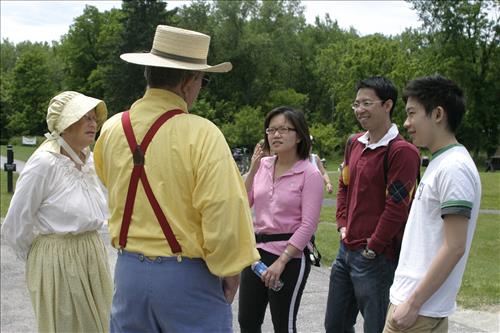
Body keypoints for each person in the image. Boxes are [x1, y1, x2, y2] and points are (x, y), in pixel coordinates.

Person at [93, 25, 259, 332]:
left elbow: (108, 181)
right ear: (188, 81)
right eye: (203, 81)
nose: (200, 88)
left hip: (128, 274)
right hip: (187, 278)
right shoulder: (202, 133)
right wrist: (230, 269)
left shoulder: (112, 129)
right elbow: (224, 211)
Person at [1, 91, 112, 332]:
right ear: (65, 124)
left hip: (91, 253)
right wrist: (44, 257)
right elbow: (15, 223)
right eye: (85, 117)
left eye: (95, 118)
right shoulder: (45, 163)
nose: (93, 123)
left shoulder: (88, 160)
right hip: (59, 260)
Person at [384, 75, 481, 332]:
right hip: (415, 305)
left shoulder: (454, 168)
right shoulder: (441, 161)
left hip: (418, 311)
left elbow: (454, 246)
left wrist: (413, 303)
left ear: (437, 114)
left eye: (412, 113)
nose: (406, 123)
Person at [324, 77, 421, 333]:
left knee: (376, 327)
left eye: (367, 103)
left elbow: (397, 207)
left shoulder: (403, 152)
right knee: (335, 325)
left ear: (387, 105)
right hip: (345, 252)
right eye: (356, 103)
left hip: (377, 258)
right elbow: (344, 184)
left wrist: (374, 246)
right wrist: (342, 223)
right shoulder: (354, 143)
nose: (359, 110)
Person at [239, 106, 324, 333]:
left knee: (282, 326)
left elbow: (309, 225)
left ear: (299, 136)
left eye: (284, 129)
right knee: (247, 322)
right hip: (256, 254)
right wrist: (253, 169)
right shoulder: (263, 166)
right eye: (271, 130)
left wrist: (282, 261)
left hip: (290, 257)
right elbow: (241, 202)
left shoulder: (310, 173)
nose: (276, 135)